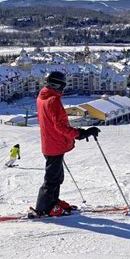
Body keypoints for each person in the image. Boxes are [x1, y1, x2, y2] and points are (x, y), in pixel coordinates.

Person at [35, 71, 101, 217]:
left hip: (51, 142)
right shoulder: (53, 100)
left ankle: (53, 202)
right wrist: (80, 134)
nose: (63, 89)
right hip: (55, 144)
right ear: (58, 85)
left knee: (57, 177)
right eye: (62, 86)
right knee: (52, 179)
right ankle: (44, 208)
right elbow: (60, 126)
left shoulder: (42, 96)